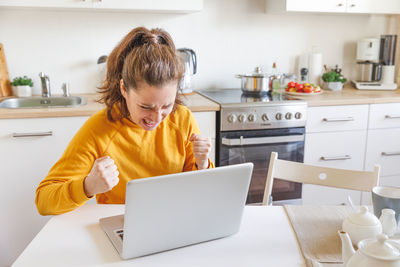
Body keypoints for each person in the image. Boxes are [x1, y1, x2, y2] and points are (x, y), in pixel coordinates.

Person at [35, 27, 214, 215]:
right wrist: (87, 186)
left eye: (166, 106)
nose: (157, 118)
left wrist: (202, 164)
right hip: (121, 224)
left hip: (175, 219)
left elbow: (201, 194)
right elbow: (44, 201)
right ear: (124, 89)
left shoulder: (182, 118)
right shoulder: (99, 129)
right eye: (146, 107)